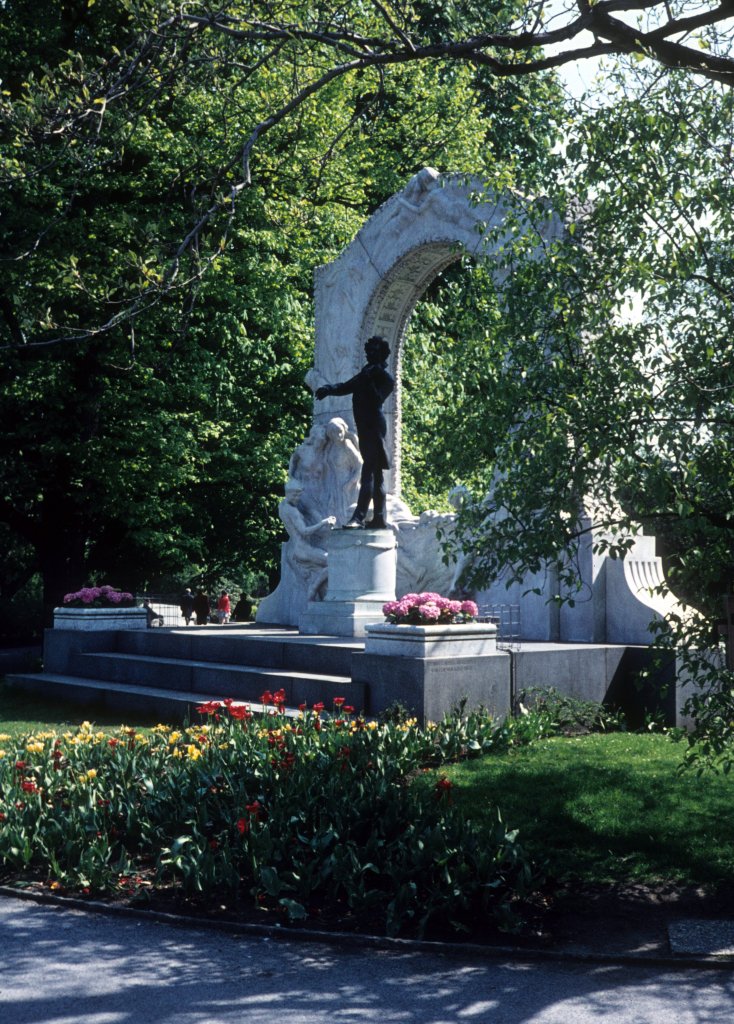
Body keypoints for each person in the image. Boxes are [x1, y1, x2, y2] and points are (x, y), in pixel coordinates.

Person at [315, 335, 394, 529]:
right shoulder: (366, 371)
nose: (368, 353)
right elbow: (347, 387)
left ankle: (358, 517)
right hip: (364, 425)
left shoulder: (384, 377)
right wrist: (328, 389)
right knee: (375, 473)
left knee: (368, 471)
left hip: (374, 427)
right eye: (368, 350)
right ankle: (379, 518)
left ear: (381, 353)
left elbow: (377, 400)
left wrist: (370, 381)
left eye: (373, 350)